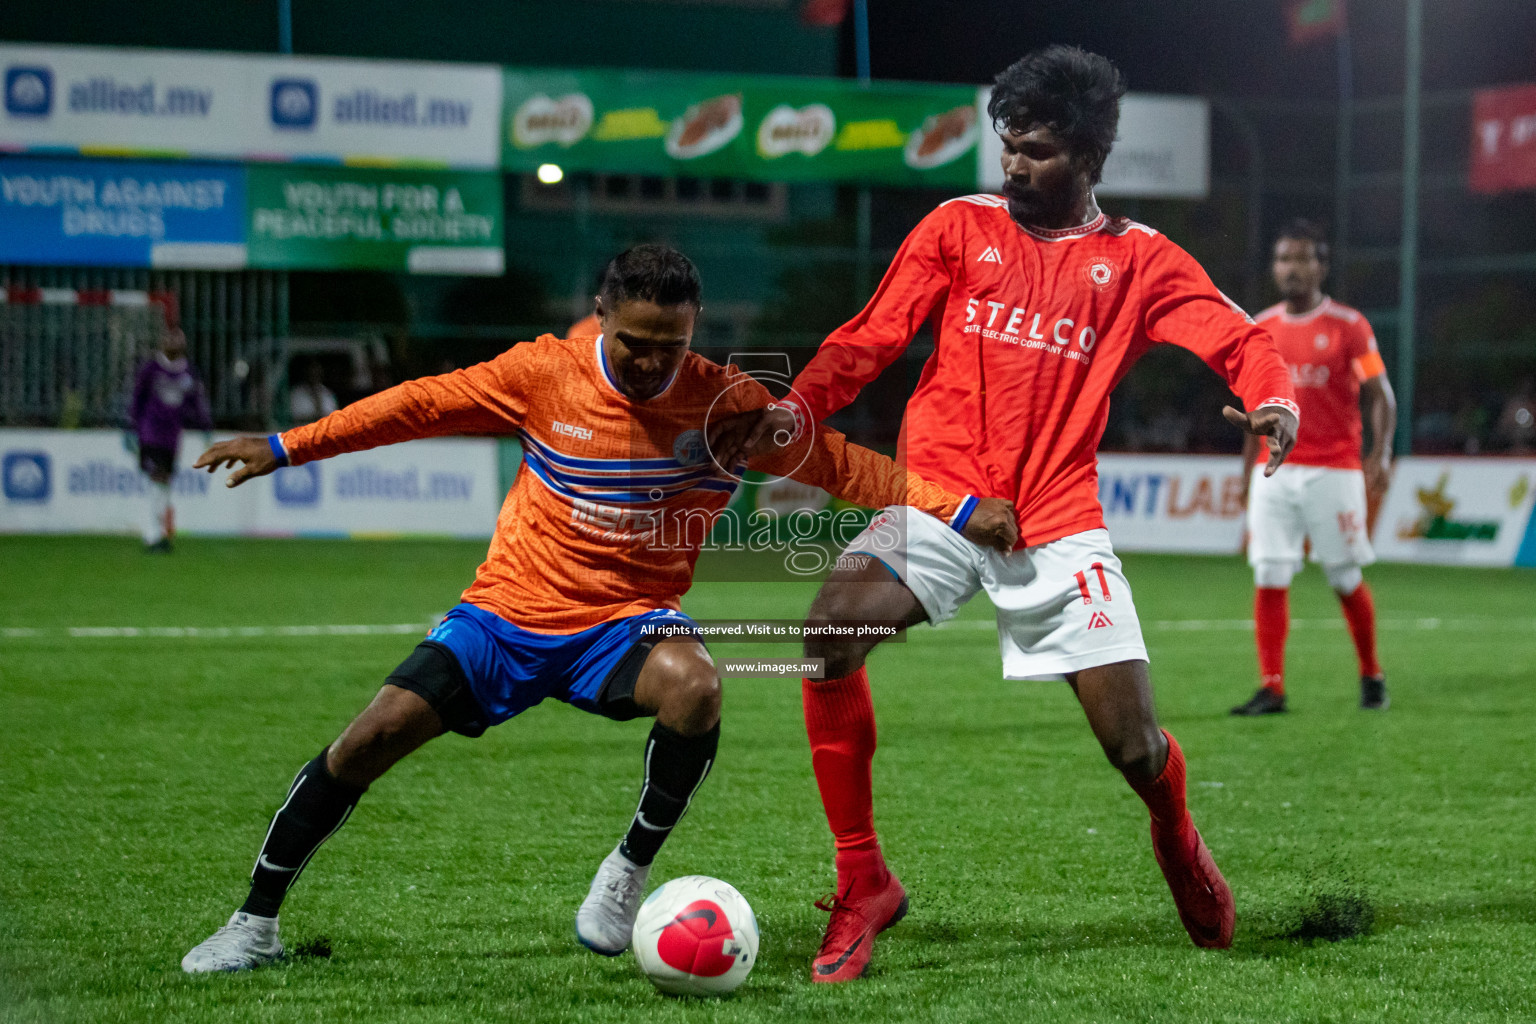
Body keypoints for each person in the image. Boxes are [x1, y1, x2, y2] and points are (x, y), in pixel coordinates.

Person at [179, 244, 1016, 973]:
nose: (653, 363)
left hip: (627, 619)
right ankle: (252, 923)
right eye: (634, 343)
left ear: (693, 333)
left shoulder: (727, 406)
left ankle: (628, 869)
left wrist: (952, 508)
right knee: (369, 739)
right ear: (598, 318)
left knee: (698, 686)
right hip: (505, 614)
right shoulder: (542, 373)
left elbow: (842, 464)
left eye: (672, 347)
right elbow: (418, 404)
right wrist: (287, 445)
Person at [712, 45, 1299, 981]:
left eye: (1038, 151)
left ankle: (1176, 834)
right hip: (943, 499)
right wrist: (798, 408)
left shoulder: (1138, 261)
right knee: (825, 631)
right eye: (1008, 146)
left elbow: (1239, 335)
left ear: (1091, 156)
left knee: (1134, 745)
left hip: (1058, 521)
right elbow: (870, 336)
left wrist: (1272, 399)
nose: (1015, 165)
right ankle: (863, 878)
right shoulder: (957, 227)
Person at [1230, 221, 1396, 716]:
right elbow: (1253, 410)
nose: (1291, 268)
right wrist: (1245, 476)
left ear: (1321, 266)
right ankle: (1272, 686)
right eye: (1283, 259)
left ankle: (1371, 673)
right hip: (1274, 473)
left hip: (1335, 470)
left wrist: (1381, 453)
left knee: (1344, 576)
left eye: (1302, 259)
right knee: (1270, 572)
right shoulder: (1260, 328)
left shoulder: (1349, 326)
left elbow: (1379, 394)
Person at [128, 324, 211, 553]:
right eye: (170, 338)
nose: (175, 343)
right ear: (162, 342)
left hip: (172, 435)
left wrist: (205, 426)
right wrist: (131, 426)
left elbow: (196, 401)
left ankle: (160, 533)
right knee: (156, 478)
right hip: (150, 431)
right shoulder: (151, 369)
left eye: (178, 339)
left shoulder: (188, 372)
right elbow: (138, 398)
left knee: (164, 481)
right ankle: (152, 534)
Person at [289, 357, 339, 424]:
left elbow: (333, 416)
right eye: (311, 371)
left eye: (317, 371)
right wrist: (315, 417)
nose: (314, 375)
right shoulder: (296, 394)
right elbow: (295, 418)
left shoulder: (327, 393)